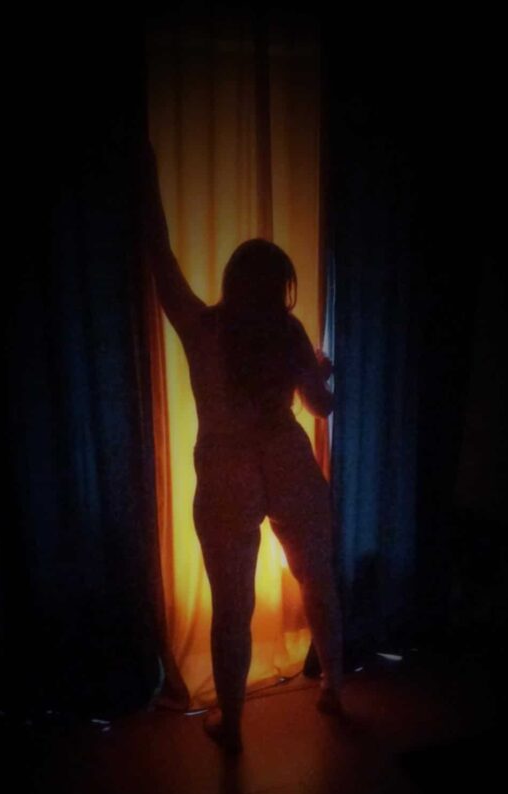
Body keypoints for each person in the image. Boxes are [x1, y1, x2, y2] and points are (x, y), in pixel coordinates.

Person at [141, 141, 346, 753]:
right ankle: (334, 688)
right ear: (281, 287)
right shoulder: (288, 332)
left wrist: (146, 184)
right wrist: (322, 373)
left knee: (232, 603)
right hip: (286, 456)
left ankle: (230, 722)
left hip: (226, 466)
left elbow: (161, 258)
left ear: (232, 280)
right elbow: (321, 407)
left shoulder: (202, 326)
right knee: (317, 578)